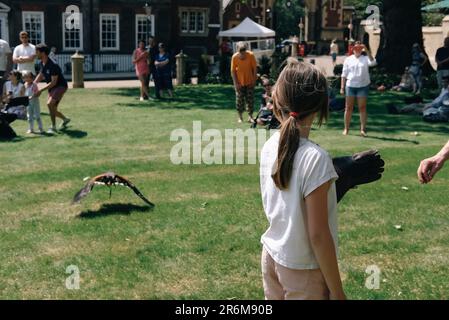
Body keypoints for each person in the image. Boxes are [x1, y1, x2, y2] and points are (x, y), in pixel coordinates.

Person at [260, 58, 345, 300]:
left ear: (277, 101)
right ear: (320, 106)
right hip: (303, 268)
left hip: (272, 256)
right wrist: (338, 292)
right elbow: (318, 235)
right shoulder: (316, 158)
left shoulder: (269, 146)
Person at [341, 43, 377, 137]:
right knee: (348, 108)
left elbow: (373, 62)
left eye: (360, 48)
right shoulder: (348, 59)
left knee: (362, 108)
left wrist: (366, 49)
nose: (358, 49)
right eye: (356, 47)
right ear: (352, 48)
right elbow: (344, 74)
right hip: (350, 86)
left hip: (363, 86)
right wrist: (342, 87)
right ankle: (346, 128)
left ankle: (363, 129)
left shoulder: (365, 58)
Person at [34, 43, 70, 134]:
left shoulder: (53, 64)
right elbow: (41, 74)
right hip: (53, 87)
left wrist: (40, 90)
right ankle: (65, 119)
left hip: (60, 86)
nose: (35, 54)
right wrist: (34, 83)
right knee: (52, 108)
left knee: (50, 104)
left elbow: (54, 82)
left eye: (37, 52)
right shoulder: (42, 62)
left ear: (43, 53)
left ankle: (53, 127)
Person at [231, 41, 257, 123]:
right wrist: (236, 84)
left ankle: (250, 117)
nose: (243, 55)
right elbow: (233, 71)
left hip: (250, 82)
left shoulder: (251, 55)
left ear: (246, 50)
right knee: (239, 100)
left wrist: (254, 80)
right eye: (240, 53)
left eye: (244, 52)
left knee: (250, 100)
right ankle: (240, 117)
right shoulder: (234, 57)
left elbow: (254, 69)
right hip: (239, 83)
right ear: (237, 51)